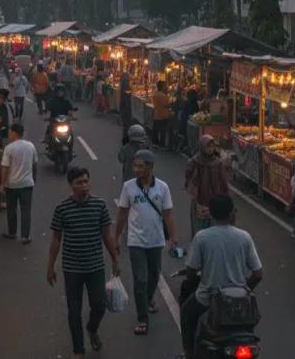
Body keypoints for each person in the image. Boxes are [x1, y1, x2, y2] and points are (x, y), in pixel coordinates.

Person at [47, 167, 120, 359]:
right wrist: (50, 266)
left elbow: (107, 234)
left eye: (86, 181)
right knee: (74, 309)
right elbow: (56, 239)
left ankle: (92, 329)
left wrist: (115, 258)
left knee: (99, 304)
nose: (84, 186)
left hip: (95, 265)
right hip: (72, 268)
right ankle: (78, 349)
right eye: (79, 183)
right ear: (71, 185)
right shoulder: (62, 208)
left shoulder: (100, 205)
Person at [180, 194, 263, 359]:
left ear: (210, 213)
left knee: (186, 314)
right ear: (232, 213)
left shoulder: (202, 237)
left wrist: (197, 276)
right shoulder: (244, 237)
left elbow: (190, 271)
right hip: (240, 302)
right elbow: (258, 274)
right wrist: (245, 289)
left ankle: (189, 354)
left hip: (207, 298)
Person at [115, 150, 177, 335]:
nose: (136, 170)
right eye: (135, 166)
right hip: (136, 241)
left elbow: (167, 215)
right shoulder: (128, 187)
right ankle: (142, 318)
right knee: (140, 279)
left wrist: (173, 237)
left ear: (150, 167)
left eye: (140, 166)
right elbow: (122, 214)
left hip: (156, 240)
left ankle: (148, 298)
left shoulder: (163, 188)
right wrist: (116, 237)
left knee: (154, 275)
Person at [184, 135, 230, 237]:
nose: (210, 149)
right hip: (200, 202)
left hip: (215, 201)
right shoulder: (194, 162)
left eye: (212, 146)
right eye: (208, 146)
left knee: (216, 232)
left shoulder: (218, 163)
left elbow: (223, 183)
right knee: (200, 233)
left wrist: (227, 201)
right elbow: (189, 182)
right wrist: (197, 202)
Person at [1, 123, 38, 244]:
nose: (9, 134)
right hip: (27, 183)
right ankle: (25, 236)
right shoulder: (30, 146)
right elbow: (34, 164)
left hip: (12, 184)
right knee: (26, 210)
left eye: (10, 132)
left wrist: (2, 183)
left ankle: (12, 232)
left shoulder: (9, 148)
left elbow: (5, 168)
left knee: (11, 209)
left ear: (14, 133)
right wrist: (34, 179)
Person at [151, 81, 171, 149]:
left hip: (157, 114)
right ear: (162, 87)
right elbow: (167, 105)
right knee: (163, 131)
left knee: (156, 130)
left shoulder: (155, 94)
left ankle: (155, 143)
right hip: (163, 115)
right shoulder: (163, 96)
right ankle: (162, 144)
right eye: (165, 85)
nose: (166, 87)